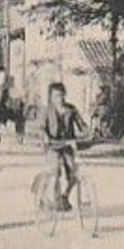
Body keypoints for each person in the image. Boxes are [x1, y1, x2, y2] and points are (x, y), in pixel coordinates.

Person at [42, 82, 91, 210]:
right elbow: (42, 128)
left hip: (67, 145)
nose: (60, 99)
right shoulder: (47, 111)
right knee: (55, 171)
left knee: (74, 173)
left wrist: (88, 132)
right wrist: (45, 137)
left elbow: (81, 124)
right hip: (53, 145)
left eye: (62, 95)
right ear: (51, 98)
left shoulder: (71, 109)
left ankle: (65, 196)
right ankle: (53, 198)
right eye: (56, 96)